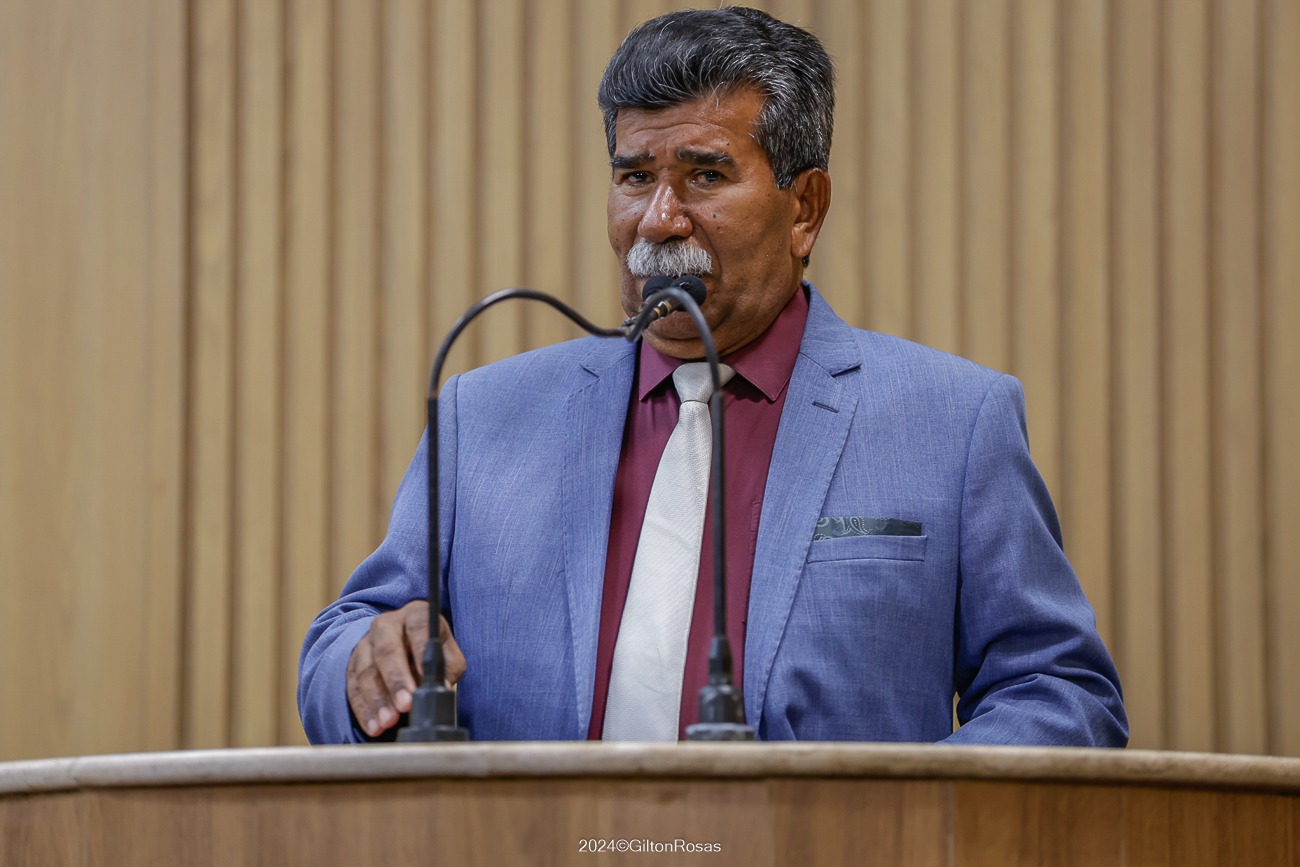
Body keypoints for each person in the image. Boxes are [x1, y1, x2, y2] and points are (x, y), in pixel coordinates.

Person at [298, 6, 1127, 746]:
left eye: (705, 174)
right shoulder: (485, 413)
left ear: (805, 208)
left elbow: (1062, 693)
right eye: (635, 177)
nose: (659, 219)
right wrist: (364, 664)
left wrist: (895, 824)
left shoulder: (952, 422)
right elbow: (349, 635)